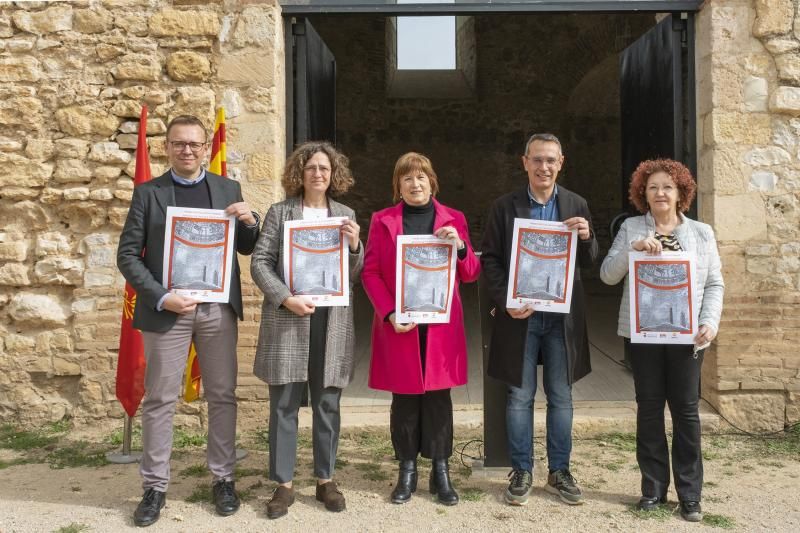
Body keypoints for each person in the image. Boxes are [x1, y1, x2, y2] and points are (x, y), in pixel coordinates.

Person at [117, 115, 260, 527]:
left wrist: (251, 220)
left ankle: (223, 479)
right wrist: (162, 296)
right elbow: (128, 255)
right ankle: (154, 486)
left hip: (217, 309)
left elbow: (246, 247)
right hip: (168, 310)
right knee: (161, 399)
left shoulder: (227, 188)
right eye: (179, 143)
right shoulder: (149, 193)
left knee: (222, 395)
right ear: (167, 147)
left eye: (195, 144)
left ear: (205, 147)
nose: (187, 150)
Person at [600, 158, 723, 522]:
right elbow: (607, 275)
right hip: (645, 335)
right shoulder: (631, 228)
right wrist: (633, 249)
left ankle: (690, 494)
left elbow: (714, 283)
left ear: (681, 192)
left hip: (688, 336)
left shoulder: (701, 232)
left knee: (686, 412)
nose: (660, 193)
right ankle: (653, 488)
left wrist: (709, 322)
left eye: (667, 187)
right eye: (652, 187)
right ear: (643, 193)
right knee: (650, 409)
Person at [481, 133, 598, 507]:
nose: (543, 167)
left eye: (550, 160)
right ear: (525, 162)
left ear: (561, 163)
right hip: (521, 318)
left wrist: (587, 237)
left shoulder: (576, 204)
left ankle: (559, 471)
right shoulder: (504, 206)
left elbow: (589, 261)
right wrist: (507, 299)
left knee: (561, 396)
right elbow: (490, 260)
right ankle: (522, 469)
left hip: (562, 319)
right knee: (519, 396)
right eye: (537, 159)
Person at [250, 141, 363, 519]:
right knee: (284, 404)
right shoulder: (280, 212)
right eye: (311, 167)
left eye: (324, 168)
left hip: (332, 320)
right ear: (300, 172)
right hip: (289, 318)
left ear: (334, 175)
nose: (318, 173)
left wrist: (355, 245)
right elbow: (260, 262)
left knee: (327, 402)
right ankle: (283, 484)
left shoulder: (345, 214)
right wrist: (285, 298)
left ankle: (325, 480)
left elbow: (353, 275)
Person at [362, 152, 481, 506]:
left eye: (421, 178)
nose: (415, 184)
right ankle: (407, 469)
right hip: (402, 324)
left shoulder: (454, 219)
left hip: (441, 327)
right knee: (404, 400)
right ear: (398, 186)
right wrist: (388, 313)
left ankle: (440, 470)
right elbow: (371, 273)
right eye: (407, 178)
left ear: (432, 183)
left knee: (439, 400)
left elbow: (471, 273)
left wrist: (460, 247)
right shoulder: (382, 220)